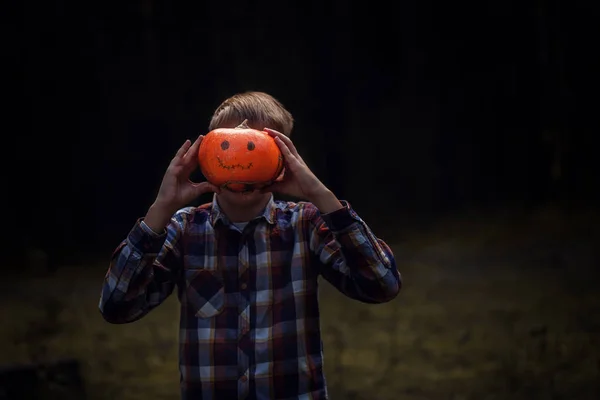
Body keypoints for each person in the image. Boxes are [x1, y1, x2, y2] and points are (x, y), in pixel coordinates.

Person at [99, 91, 402, 400]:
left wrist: (320, 194)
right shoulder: (183, 229)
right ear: (207, 156)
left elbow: (382, 285)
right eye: (227, 145)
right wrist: (161, 209)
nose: (240, 161)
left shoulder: (305, 224)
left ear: (283, 162)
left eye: (256, 148)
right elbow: (117, 306)